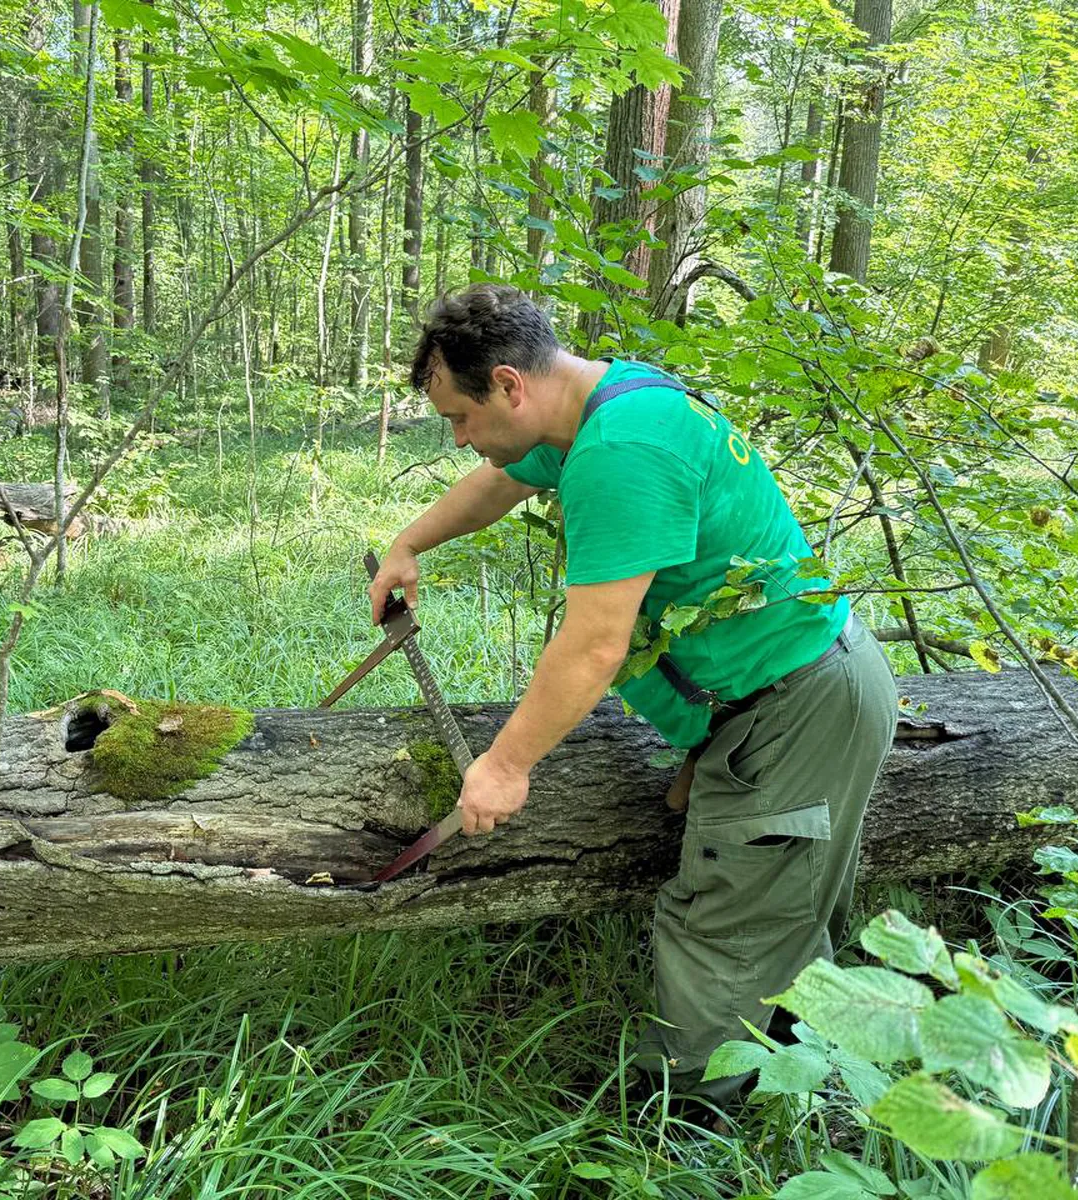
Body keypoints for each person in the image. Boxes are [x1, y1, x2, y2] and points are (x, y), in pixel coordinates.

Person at [369, 283, 898, 1111]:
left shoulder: (623, 451)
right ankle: (798, 1083)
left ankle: (685, 1127)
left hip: (796, 708)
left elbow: (592, 646)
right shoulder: (595, 405)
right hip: (778, 698)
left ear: (511, 384)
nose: (464, 440)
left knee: (723, 929)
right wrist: (409, 542)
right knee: (776, 906)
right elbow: (502, 482)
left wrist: (505, 767)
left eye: (460, 419)